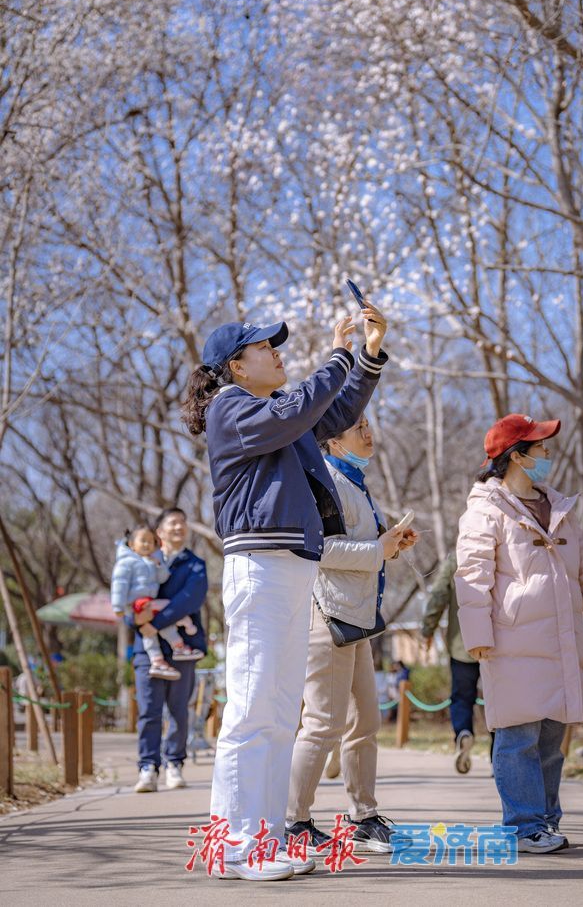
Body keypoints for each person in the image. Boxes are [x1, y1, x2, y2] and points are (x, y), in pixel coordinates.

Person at [182, 303, 390, 882]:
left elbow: (337, 408)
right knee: (252, 712)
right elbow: (304, 404)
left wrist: (367, 355)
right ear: (235, 367)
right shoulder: (232, 407)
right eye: (263, 347)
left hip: (292, 568)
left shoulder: (275, 413)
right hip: (261, 566)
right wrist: (337, 354)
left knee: (276, 714)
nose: (276, 352)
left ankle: (263, 838)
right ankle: (234, 846)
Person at [455, 414, 583, 853]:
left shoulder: (560, 508)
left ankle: (546, 819)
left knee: (551, 739)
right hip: (511, 643)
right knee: (517, 735)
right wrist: (478, 637)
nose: (547, 455)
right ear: (517, 457)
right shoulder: (485, 511)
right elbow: (472, 577)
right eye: (540, 448)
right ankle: (523, 826)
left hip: (560, 641)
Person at [286, 415, 417, 854]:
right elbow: (318, 549)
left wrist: (390, 544)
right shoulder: (325, 482)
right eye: (357, 426)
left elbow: (358, 548)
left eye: (368, 424)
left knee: (366, 721)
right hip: (327, 617)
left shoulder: (355, 480)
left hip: (358, 618)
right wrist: (378, 548)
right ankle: (294, 821)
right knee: (323, 724)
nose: (368, 432)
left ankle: (364, 817)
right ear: (333, 442)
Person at [126, 508, 208, 793]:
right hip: (145, 651)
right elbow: (129, 599)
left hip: (182, 648)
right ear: (159, 531)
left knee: (178, 710)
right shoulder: (140, 562)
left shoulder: (195, 564)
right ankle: (147, 767)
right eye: (172, 523)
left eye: (183, 523)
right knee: (148, 711)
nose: (179, 527)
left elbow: (189, 601)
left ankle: (175, 763)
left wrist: (154, 623)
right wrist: (134, 621)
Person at [110, 524, 203, 680]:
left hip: (147, 601)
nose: (147, 544)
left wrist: (159, 564)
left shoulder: (150, 562)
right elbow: (119, 584)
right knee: (167, 608)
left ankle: (159, 659)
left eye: (151, 542)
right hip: (136, 603)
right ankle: (185, 624)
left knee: (154, 630)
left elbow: (163, 578)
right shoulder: (126, 562)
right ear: (132, 545)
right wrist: (118, 606)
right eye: (143, 541)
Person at [421, 552, 485, 773]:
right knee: (500, 701)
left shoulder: (456, 557)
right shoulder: (503, 548)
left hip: (463, 644)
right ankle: (501, 757)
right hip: (499, 644)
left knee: (461, 697)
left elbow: (438, 595)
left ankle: (463, 732)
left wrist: (427, 630)